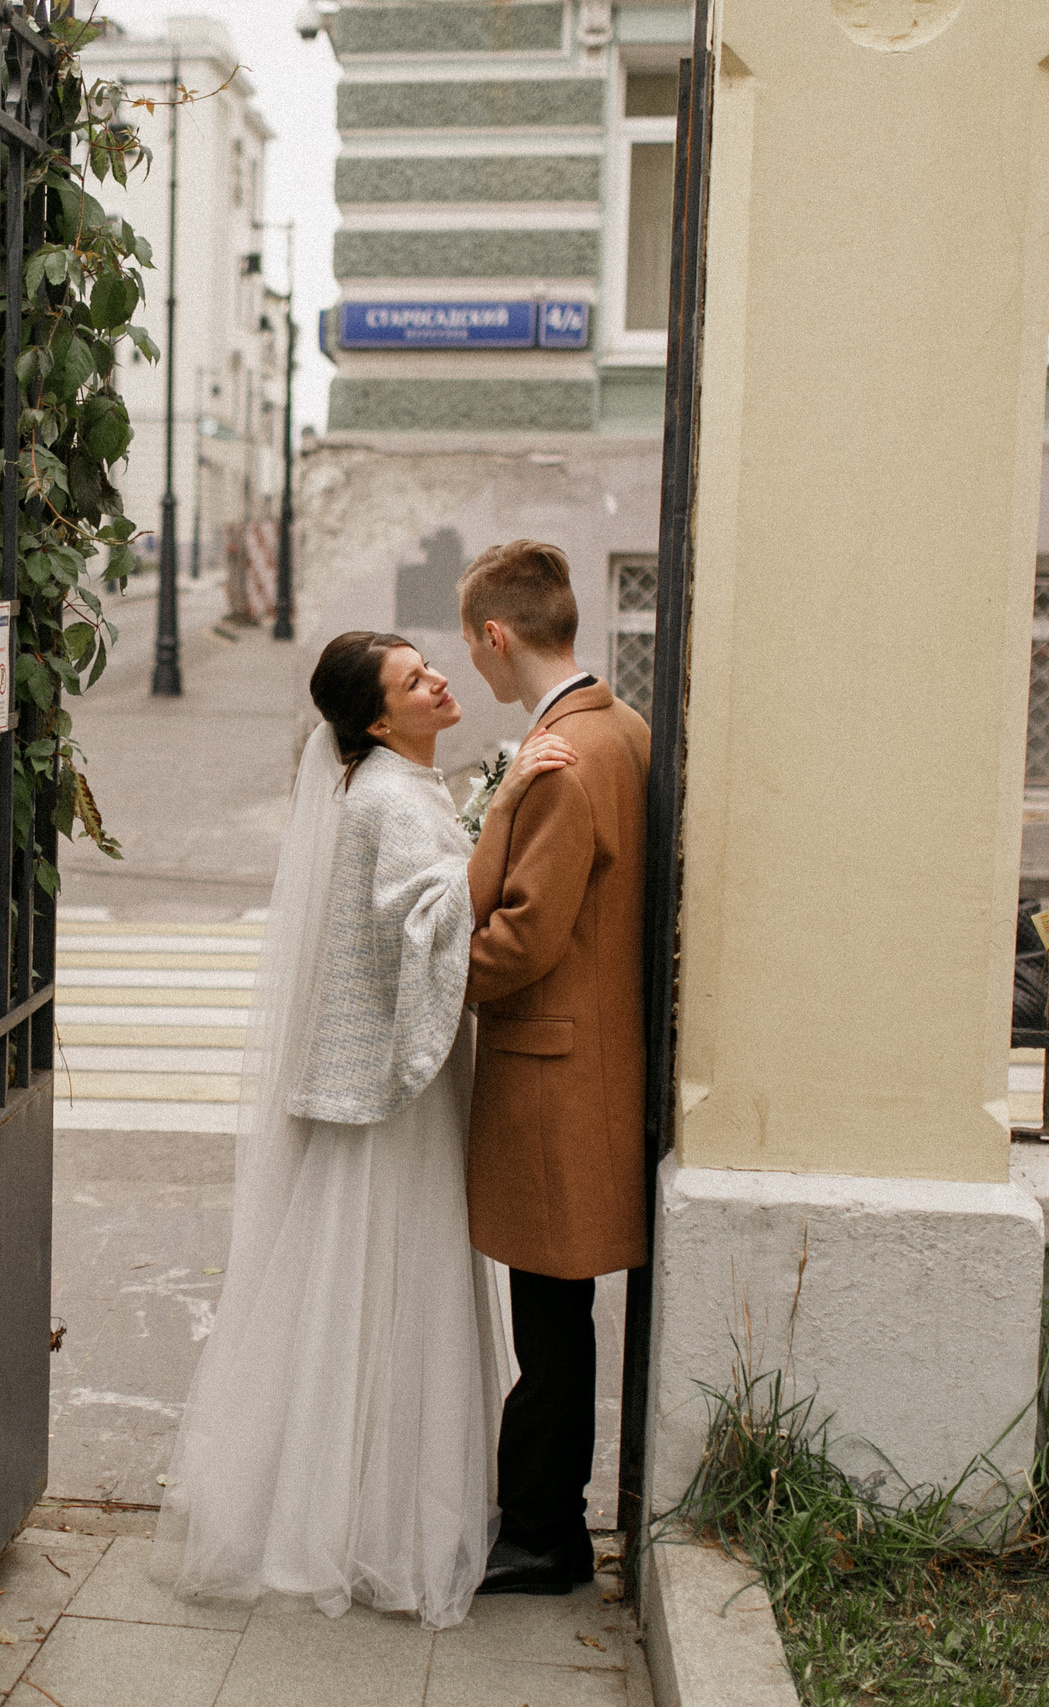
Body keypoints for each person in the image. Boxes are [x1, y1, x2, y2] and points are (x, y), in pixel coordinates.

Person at [154, 630, 568, 1630]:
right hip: (393, 1094)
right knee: (389, 1279)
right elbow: (423, 919)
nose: (436, 679)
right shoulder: (385, 793)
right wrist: (508, 803)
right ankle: (368, 1522)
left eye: (429, 665)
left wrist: (485, 801)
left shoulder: (400, 780)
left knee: (377, 1285)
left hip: (403, 1076)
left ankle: (357, 1501)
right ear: (380, 719)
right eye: (412, 679)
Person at [454, 540, 652, 1597]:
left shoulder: (567, 758)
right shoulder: (616, 728)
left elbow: (525, 938)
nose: (473, 670)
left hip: (550, 1072)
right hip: (591, 1065)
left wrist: (431, 981)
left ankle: (542, 1536)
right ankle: (545, 1524)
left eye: (470, 647)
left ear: (496, 635)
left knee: (549, 1323)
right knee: (557, 1317)